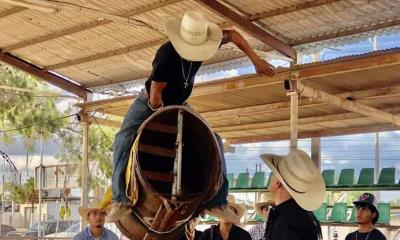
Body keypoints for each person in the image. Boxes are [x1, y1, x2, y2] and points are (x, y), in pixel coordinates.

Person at [107, 10, 276, 223]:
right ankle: (120, 199)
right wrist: (160, 118)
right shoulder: (166, 55)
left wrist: (256, 60)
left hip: (180, 102)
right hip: (151, 102)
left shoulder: (208, 40)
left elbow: (233, 35)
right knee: (124, 137)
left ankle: (218, 201)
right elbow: (156, 93)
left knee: (214, 137)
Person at [260, 149, 325, 240]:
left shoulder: (285, 221)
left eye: (273, 174)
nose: (270, 178)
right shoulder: (300, 216)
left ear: (278, 182)